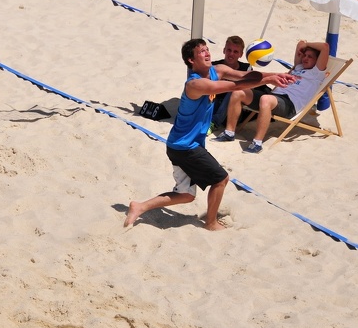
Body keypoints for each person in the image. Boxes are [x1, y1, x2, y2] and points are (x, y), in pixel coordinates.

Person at [124, 39, 296, 230]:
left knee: (187, 195)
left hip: (181, 144)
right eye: (201, 52)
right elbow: (233, 86)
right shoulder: (195, 84)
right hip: (185, 147)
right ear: (191, 60)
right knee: (221, 179)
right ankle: (211, 223)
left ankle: (139, 206)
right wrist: (267, 80)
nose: (207, 53)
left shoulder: (218, 70)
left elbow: (245, 75)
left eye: (207, 49)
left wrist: (276, 74)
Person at [213, 40, 329, 154]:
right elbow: (300, 43)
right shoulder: (298, 68)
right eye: (304, 55)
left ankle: (257, 143)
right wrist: (304, 48)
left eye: (310, 56)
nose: (305, 58)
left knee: (265, 99)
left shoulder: (317, 73)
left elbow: (324, 47)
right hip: (274, 97)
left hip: (289, 104)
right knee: (239, 91)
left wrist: (307, 45)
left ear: (317, 60)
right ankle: (229, 133)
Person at [210, 36, 249, 129]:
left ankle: (214, 123)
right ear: (224, 50)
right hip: (213, 104)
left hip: (232, 112)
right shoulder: (214, 66)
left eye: (235, 52)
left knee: (235, 88)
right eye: (229, 50)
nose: (231, 54)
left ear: (241, 54)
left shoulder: (246, 69)